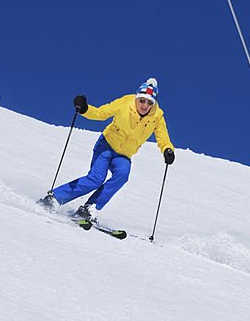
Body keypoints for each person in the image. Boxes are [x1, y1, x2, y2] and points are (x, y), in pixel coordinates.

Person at [38, 78, 174, 222]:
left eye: (149, 102)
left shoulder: (157, 116)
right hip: (106, 146)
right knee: (96, 179)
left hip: (123, 155)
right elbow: (101, 113)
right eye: (142, 100)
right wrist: (85, 108)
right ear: (137, 97)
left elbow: (163, 138)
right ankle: (54, 198)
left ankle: (89, 208)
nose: (145, 105)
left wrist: (167, 150)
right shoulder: (125, 103)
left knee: (122, 174)